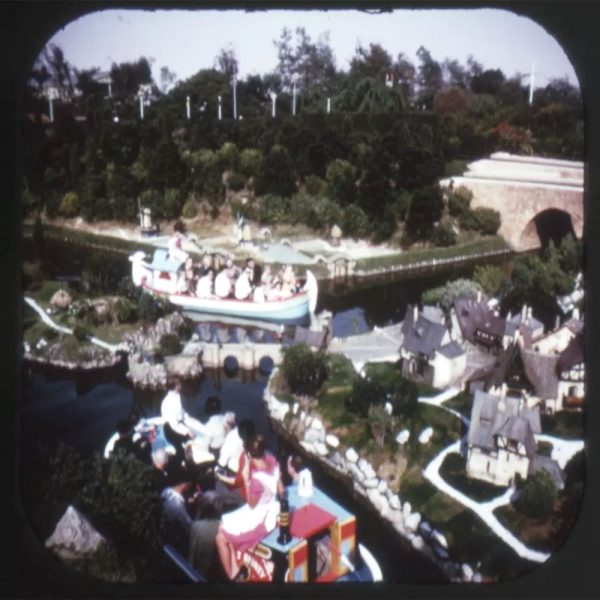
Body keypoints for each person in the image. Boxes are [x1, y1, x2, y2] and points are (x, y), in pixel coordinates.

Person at [215, 435, 281, 580]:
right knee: (222, 526)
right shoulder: (273, 462)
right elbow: (281, 490)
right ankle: (236, 566)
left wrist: (245, 478)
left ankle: (232, 576)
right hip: (269, 508)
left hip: (259, 516)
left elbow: (251, 504)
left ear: (249, 454)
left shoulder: (257, 479)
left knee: (220, 537)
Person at [161, 379, 205, 461]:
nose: (180, 386)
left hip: (179, 424)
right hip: (171, 429)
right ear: (176, 386)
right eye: (179, 384)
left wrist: (189, 417)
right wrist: (187, 431)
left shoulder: (177, 396)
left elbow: (181, 411)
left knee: (195, 433)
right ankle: (183, 461)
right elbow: (174, 424)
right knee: (184, 447)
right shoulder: (168, 402)